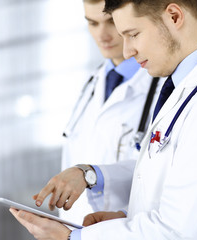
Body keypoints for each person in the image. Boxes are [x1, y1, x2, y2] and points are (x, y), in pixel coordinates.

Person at [10, 0, 197, 239]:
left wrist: (73, 237)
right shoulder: (185, 91)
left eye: (133, 34)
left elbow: (178, 232)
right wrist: (122, 215)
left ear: (174, 16)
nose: (127, 51)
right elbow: (168, 183)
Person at [33, 0, 162, 226]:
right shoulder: (93, 83)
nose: (102, 35)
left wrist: (89, 175)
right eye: (92, 23)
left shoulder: (164, 88)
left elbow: (160, 173)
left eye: (111, 22)